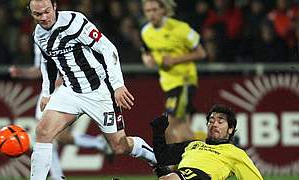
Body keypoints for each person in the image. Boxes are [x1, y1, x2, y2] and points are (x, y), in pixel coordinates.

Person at [27, 0, 157, 179]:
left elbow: (107, 47)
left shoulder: (75, 22)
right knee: (42, 131)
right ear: (31, 13)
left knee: (119, 146)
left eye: (47, 11)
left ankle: (155, 158)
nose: (44, 18)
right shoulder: (39, 34)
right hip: (70, 91)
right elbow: (48, 63)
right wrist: (47, 93)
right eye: (37, 14)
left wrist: (118, 84)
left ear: (55, 6)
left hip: (98, 91)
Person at [9, 45, 113, 180]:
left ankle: (58, 176)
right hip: (50, 89)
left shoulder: (67, 29)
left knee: (48, 134)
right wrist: (21, 73)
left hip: (69, 87)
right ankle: (97, 144)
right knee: (49, 134)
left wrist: (67, 76)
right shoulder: (38, 38)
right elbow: (39, 69)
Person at [140, 0, 207, 144]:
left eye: (155, 9)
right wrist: (146, 59)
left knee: (168, 127)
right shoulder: (146, 32)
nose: (151, 14)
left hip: (183, 81)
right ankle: (221, 146)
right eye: (148, 11)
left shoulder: (181, 28)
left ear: (163, 10)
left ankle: (171, 165)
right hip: (168, 84)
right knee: (184, 130)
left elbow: (201, 53)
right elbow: (146, 51)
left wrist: (175, 60)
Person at [150, 104, 264, 180]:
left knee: (170, 178)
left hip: (203, 176)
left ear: (230, 129)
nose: (214, 124)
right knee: (165, 176)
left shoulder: (235, 153)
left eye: (220, 121)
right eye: (211, 120)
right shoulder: (193, 144)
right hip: (183, 175)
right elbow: (162, 157)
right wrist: (158, 133)